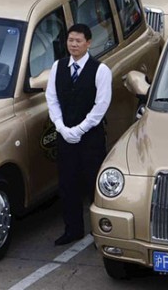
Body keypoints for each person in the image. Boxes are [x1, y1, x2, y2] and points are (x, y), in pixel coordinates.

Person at [45, 23, 111, 245]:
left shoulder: (100, 70)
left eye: (78, 41)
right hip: (65, 136)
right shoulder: (58, 66)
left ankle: (99, 232)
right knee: (67, 184)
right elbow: (51, 98)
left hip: (90, 138)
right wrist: (61, 127)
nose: (73, 44)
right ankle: (72, 229)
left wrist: (80, 129)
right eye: (70, 40)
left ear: (88, 43)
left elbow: (101, 106)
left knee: (94, 185)